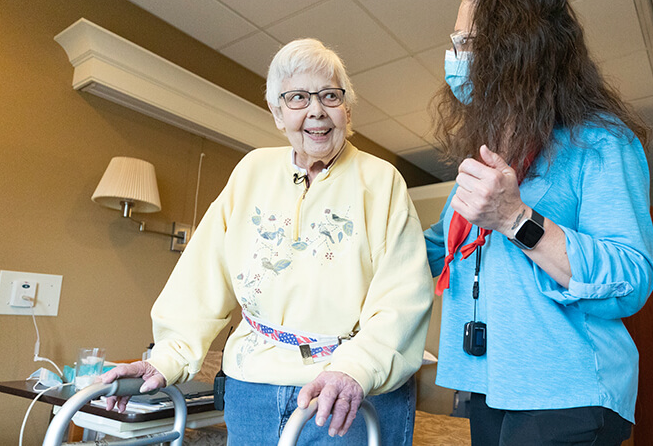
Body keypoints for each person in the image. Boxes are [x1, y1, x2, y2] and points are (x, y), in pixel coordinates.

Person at [102, 38, 434, 445]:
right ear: (278, 114)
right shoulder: (252, 171)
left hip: (345, 394)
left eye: (330, 95)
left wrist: (355, 369)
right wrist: (166, 358)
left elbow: (403, 297)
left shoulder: (381, 181)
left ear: (347, 110)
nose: (316, 110)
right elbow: (203, 276)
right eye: (297, 98)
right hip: (252, 389)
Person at [424, 0, 653, 446]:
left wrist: (516, 218)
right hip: (489, 383)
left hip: (567, 390)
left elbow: (631, 279)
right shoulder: (490, 155)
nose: (456, 56)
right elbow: (436, 248)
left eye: (469, 43)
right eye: (455, 42)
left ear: (517, 49)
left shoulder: (601, 143)